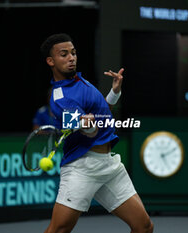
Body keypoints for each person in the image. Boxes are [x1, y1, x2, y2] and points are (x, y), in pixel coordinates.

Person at [40, 33, 153, 233]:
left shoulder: (80, 82)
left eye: (73, 53)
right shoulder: (61, 97)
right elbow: (90, 132)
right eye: (63, 54)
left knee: (143, 227)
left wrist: (114, 92)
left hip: (109, 165)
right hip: (83, 168)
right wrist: (87, 126)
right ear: (51, 61)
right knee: (58, 230)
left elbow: (101, 114)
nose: (71, 58)